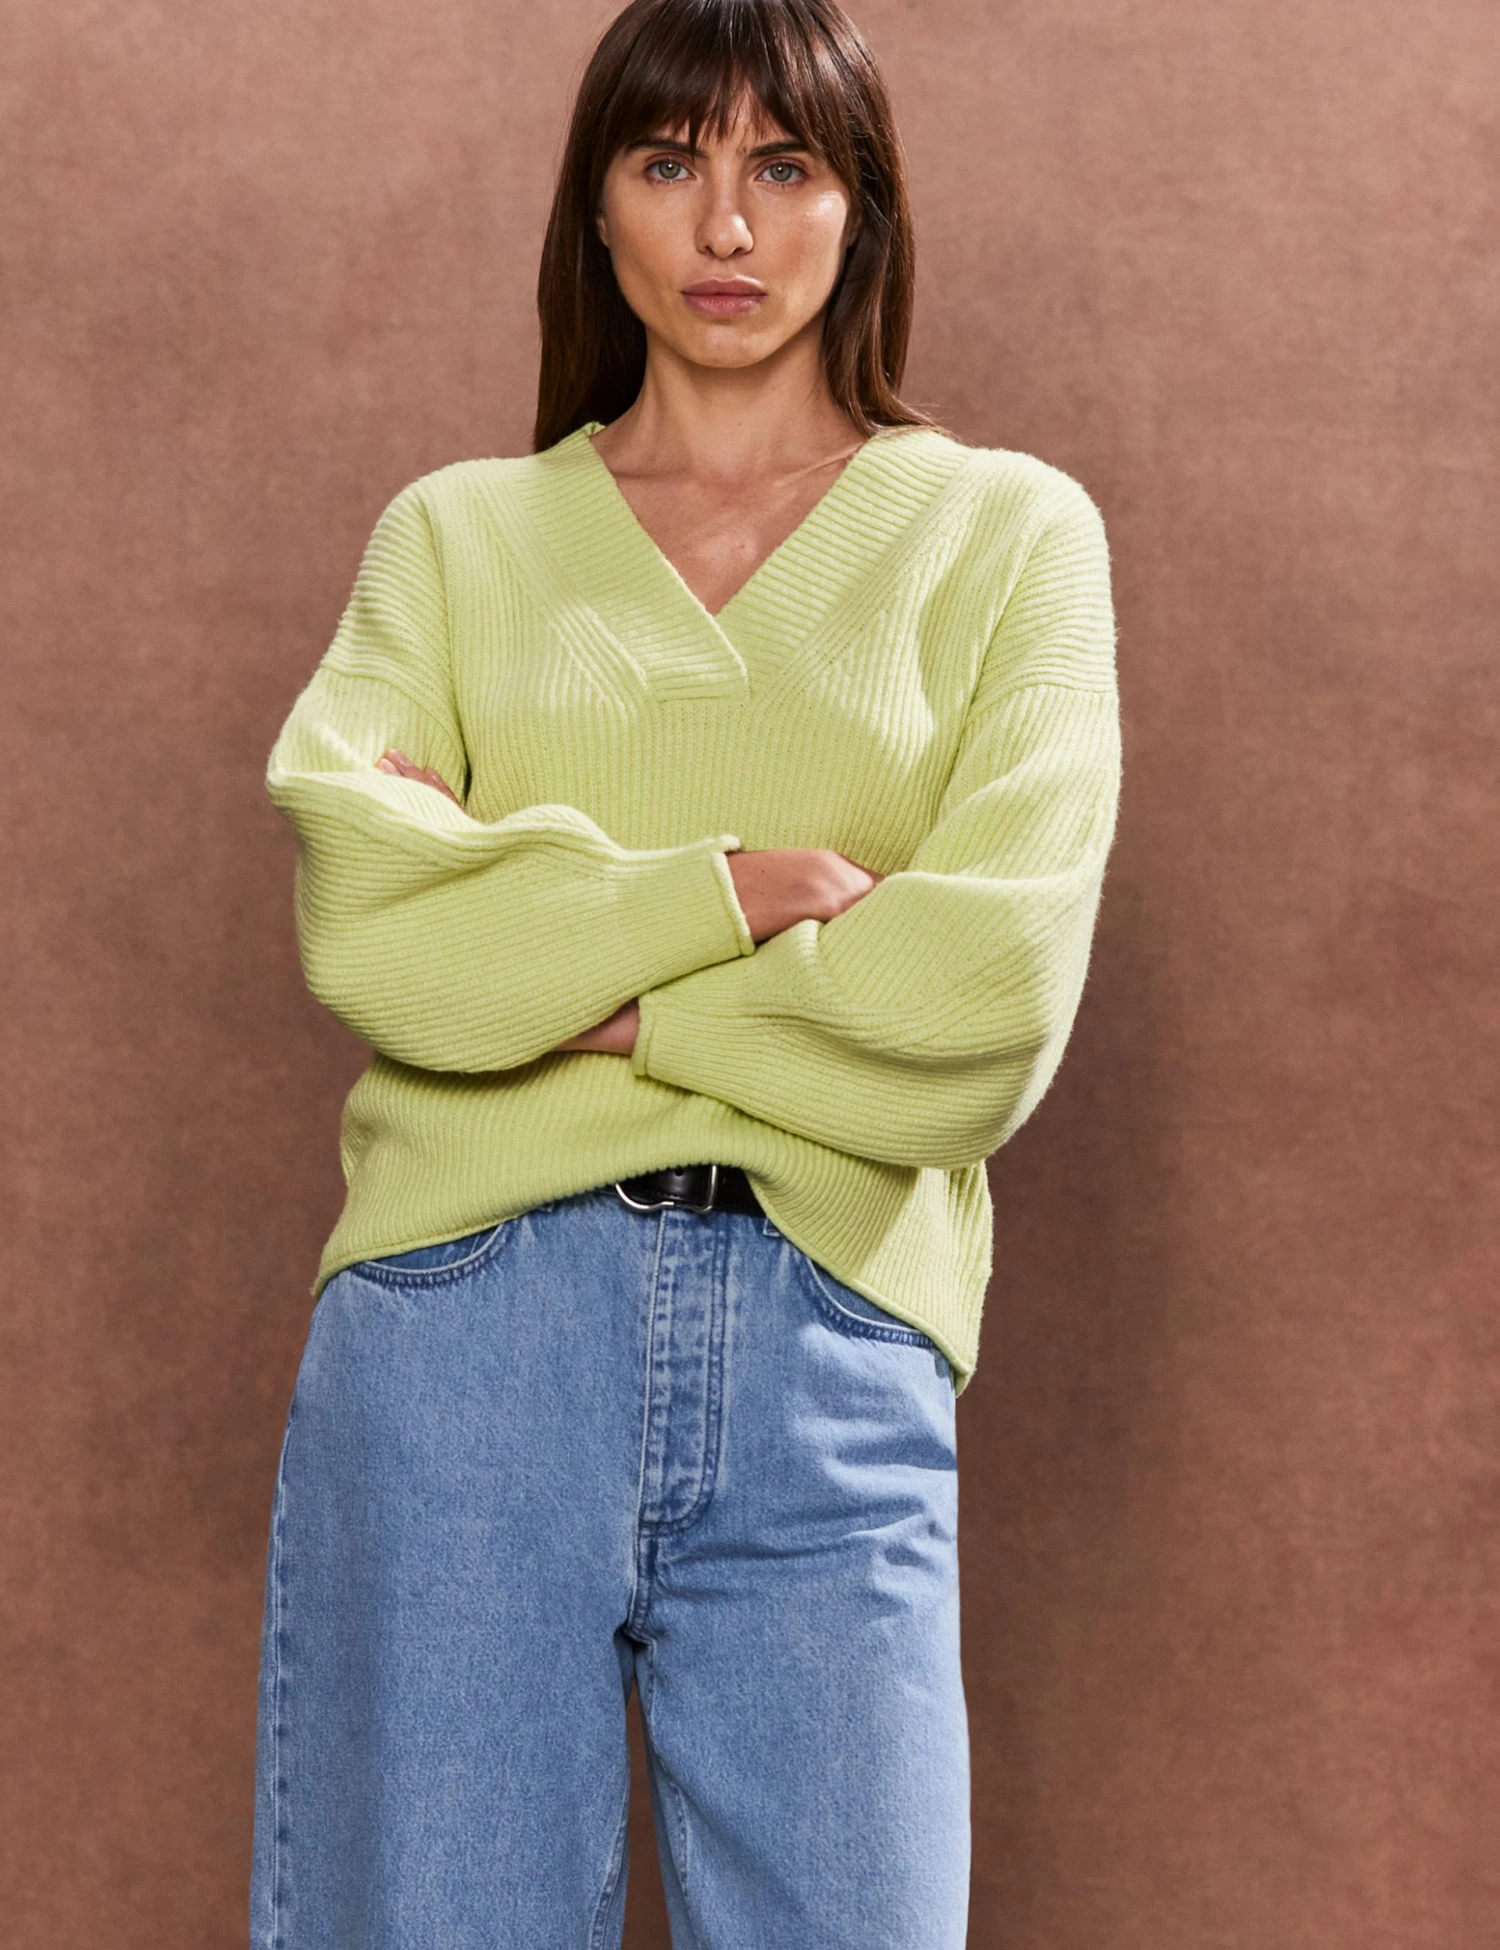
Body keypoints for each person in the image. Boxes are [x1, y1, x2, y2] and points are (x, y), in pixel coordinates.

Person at [249, 0, 1122, 1943]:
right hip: (459, 1337)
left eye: (784, 166)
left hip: (834, 1337)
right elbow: (376, 926)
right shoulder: (455, 544)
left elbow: (984, 1003)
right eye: (669, 163)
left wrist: (590, 989)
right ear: (598, 209)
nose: (727, 225)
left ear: (861, 208)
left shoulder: (1006, 540)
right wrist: (731, 893)